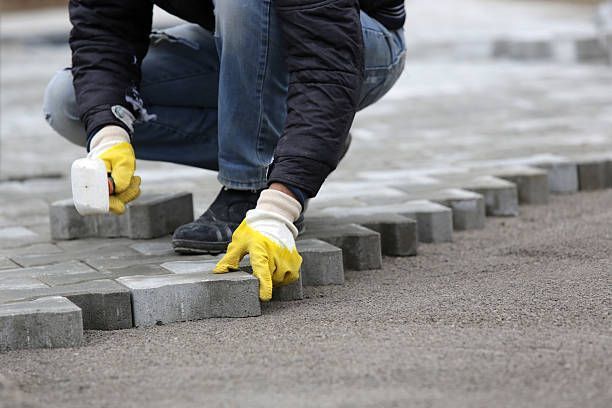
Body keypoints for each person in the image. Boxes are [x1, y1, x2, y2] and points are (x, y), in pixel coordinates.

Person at [43, 0, 406, 301]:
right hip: (248, 34)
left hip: (358, 44)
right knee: (71, 103)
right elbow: (104, 31)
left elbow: (327, 66)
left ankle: (252, 182)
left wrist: (282, 203)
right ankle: (296, 142)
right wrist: (109, 135)